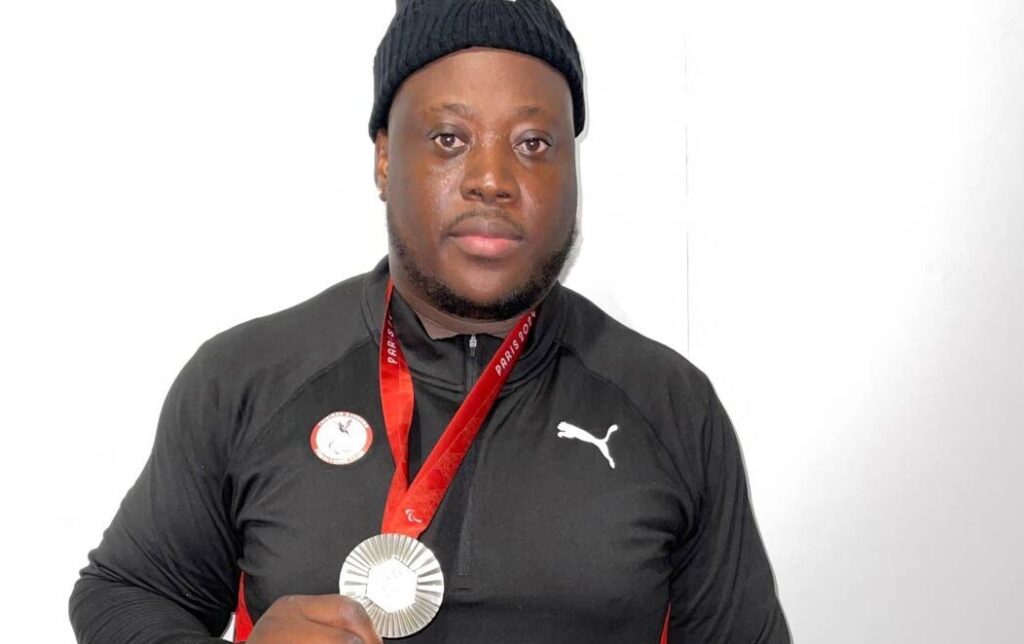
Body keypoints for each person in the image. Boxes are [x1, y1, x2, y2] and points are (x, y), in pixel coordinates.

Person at [69, 1, 791, 642]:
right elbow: (125, 595)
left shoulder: (669, 404)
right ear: (385, 158)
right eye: (449, 138)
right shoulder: (246, 379)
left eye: (533, 143)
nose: (492, 179)